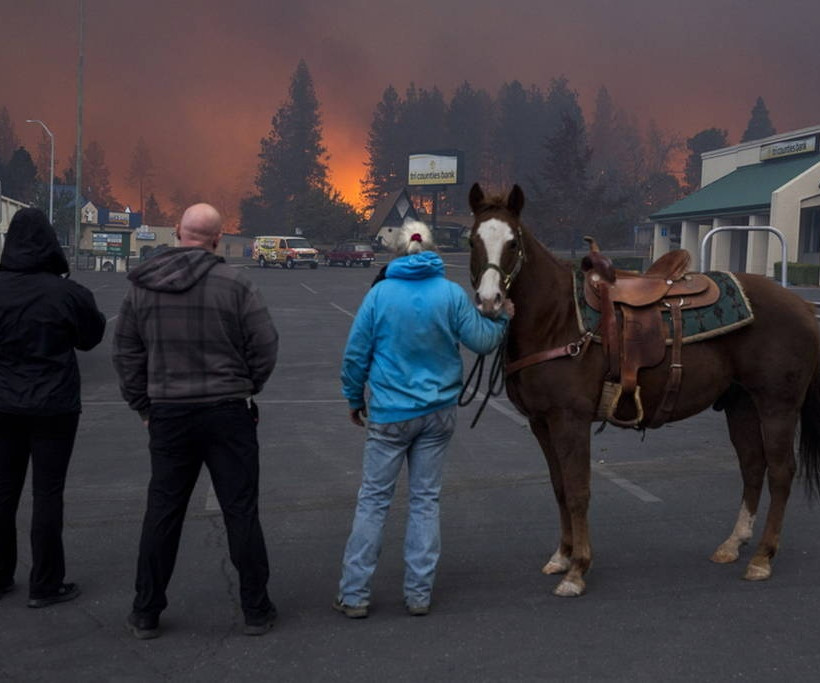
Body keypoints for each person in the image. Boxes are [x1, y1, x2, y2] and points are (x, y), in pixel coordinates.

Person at [112, 203, 279, 639]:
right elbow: (265, 345)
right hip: (227, 412)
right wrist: (247, 385)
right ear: (218, 239)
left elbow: (126, 352)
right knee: (240, 510)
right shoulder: (236, 283)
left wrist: (144, 406)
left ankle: (146, 612)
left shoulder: (142, 286)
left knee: (163, 511)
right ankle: (256, 610)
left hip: (168, 415)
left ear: (177, 233)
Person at [334, 219, 513, 618]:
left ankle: (355, 594)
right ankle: (418, 594)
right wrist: (501, 318)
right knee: (425, 501)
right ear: (432, 249)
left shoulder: (379, 295)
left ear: (398, 251)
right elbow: (482, 341)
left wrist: (354, 398)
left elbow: (355, 355)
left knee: (373, 502)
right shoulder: (450, 294)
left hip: (389, 415)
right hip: (437, 414)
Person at [0, 208, 106, 608]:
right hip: (54, 406)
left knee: (3, 490)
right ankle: (45, 583)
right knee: (48, 492)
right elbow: (90, 338)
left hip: (3, 403)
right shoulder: (67, 294)